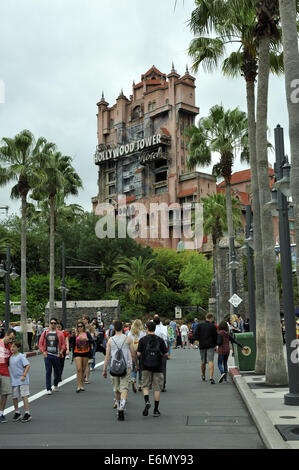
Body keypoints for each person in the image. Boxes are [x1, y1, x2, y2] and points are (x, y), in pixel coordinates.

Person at [102, 320, 138, 421]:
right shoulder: (128, 339)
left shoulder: (110, 340)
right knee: (124, 387)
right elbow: (133, 353)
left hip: (114, 367)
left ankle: (118, 406)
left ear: (114, 328)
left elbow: (107, 356)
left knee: (116, 388)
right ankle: (122, 405)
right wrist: (136, 365)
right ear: (122, 327)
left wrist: (104, 370)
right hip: (125, 366)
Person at [137, 321, 168, 417]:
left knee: (145, 386)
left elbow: (138, 353)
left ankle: (147, 402)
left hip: (145, 366)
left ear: (147, 329)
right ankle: (156, 409)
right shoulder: (160, 340)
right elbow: (166, 353)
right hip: (158, 367)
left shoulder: (142, 340)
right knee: (157, 388)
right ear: (155, 329)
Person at [38, 317, 66, 394]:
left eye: (54, 323)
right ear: (49, 324)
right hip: (48, 355)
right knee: (48, 371)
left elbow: (63, 344)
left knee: (57, 372)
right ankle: (48, 388)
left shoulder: (60, 333)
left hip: (56, 355)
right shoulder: (45, 333)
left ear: (56, 324)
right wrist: (43, 352)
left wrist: (60, 352)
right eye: (51, 323)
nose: (53, 324)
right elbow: (40, 344)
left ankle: (56, 384)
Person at [9, 340, 31, 422]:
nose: (12, 348)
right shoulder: (11, 357)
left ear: (18, 348)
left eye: (14, 346)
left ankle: (27, 413)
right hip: (14, 380)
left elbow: (28, 365)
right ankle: (17, 412)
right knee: (14, 397)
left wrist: (24, 375)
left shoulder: (21, 356)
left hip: (22, 379)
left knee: (24, 396)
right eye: (11, 346)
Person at [192, 313, 217, 384]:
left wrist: (195, 341)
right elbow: (215, 336)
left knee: (203, 361)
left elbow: (195, 334)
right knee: (210, 361)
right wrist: (216, 344)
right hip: (210, 345)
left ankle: (203, 375)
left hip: (202, 345)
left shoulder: (199, 325)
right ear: (211, 318)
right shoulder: (213, 326)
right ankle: (211, 377)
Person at [71, 321, 94, 393]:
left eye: (81, 326)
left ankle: (82, 384)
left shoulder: (87, 333)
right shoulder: (75, 334)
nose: (80, 327)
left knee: (83, 369)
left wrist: (87, 339)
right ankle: (79, 385)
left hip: (85, 352)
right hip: (77, 352)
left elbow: (92, 341)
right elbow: (72, 343)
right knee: (78, 369)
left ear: (83, 327)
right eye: (78, 326)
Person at [0, 328, 16, 422]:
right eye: (9, 338)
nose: (10, 341)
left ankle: (1, 413)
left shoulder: (10, 347)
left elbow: (11, 361)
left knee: (5, 394)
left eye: (12, 339)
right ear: (6, 334)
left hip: (5, 372)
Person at [128, 319, 146, 392]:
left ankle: (133, 379)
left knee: (134, 367)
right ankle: (140, 385)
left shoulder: (130, 333)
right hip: (141, 351)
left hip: (133, 351)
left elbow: (128, 342)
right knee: (141, 368)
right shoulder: (143, 333)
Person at [153, 315, 169, 392]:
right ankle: (163, 384)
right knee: (163, 368)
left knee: (154, 367)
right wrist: (167, 351)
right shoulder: (165, 328)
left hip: (154, 350)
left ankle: (156, 384)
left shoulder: (153, 329)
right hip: (163, 350)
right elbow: (168, 339)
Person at [81, 315, 96, 384]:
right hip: (81, 346)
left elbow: (94, 335)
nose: (83, 320)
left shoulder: (90, 327)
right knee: (82, 363)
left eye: (84, 319)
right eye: (82, 319)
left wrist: (90, 335)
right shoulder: (80, 327)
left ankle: (86, 378)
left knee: (88, 363)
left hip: (89, 346)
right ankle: (83, 376)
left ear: (87, 320)